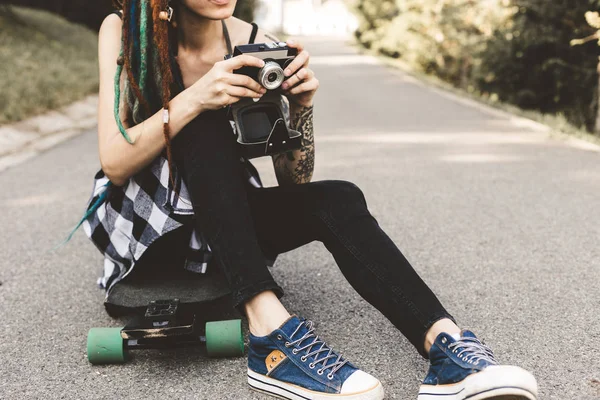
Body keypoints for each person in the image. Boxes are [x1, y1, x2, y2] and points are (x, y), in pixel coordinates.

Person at [83, 0, 539, 399]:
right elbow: (115, 160)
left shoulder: (255, 43)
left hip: (223, 228)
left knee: (338, 199)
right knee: (201, 122)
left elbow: (292, 181)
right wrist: (196, 97)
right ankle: (270, 334)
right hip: (151, 235)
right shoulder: (125, 32)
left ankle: (448, 350)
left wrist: (301, 107)